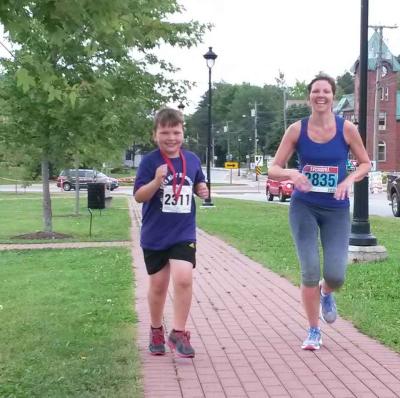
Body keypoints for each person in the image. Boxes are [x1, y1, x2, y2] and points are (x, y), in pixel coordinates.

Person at [268, 74, 371, 350]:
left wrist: (348, 180)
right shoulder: (296, 130)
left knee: (336, 274)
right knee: (310, 270)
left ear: (333, 96)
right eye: (316, 91)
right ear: (309, 96)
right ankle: (314, 330)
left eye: (326, 91)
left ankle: (327, 292)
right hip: (304, 207)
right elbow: (273, 168)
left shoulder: (346, 129)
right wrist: (292, 173)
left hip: (336, 209)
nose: (321, 95)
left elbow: (365, 163)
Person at [134, 107, 208, 358]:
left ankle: (179, 332)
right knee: (158, 286)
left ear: (183, 132)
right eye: (165, 132)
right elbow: (138, 196)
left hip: (183, 232)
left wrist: (202, 189)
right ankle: (156, 329)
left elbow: (198, 181)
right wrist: (155, 182)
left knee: (184, 278)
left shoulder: (192, 159)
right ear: (155, 134)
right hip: (155, 234)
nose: (171, 138)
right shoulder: (150, 161)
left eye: (176, 132)